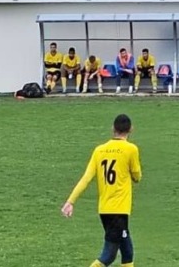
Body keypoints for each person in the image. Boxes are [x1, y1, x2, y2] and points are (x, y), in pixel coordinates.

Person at [61, 113, 142, 267]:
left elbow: (86, 178)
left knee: (127, 251)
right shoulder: (131, 149)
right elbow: (137, 176)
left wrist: (70, 201)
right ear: (131, 129)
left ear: (113, 129)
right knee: (109, 255)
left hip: (105, 208)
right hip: (119, 210)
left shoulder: (99, 150)